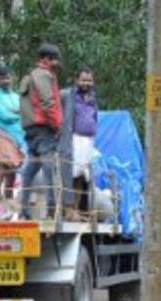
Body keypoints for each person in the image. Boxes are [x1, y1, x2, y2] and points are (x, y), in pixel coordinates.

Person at [18, 43, 63, 221]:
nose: (56, 64)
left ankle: (24, 210)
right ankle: (52, 211)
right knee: (49, 168)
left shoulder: (28, 77)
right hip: (44, 128)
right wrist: (57, 125)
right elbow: (47, 103)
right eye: (54, 60)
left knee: (30, 169)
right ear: (45, 59)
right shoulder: (44, 75)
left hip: (30, 129)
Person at [59, 67, 98, 219]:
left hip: (88, 141)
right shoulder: (68, 95)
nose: (86, 83)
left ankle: (75, 209)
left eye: (89, 80)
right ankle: (67, 209)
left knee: (82, 176)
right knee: (70, 175)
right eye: (83, 80)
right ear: (77, 81)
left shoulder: (92, 97)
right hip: (74, 139)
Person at [0, 66, 26, 202]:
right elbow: (3, 116)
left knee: (13, 168)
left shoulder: (16, 96)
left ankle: (9, 199)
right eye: (2, 78)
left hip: (18, 136)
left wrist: (17, 112)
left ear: (12, 78)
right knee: (1, 165)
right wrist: (18, 113)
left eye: (8, 78)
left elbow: (24, 112)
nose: (6, 81)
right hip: (3, 133)